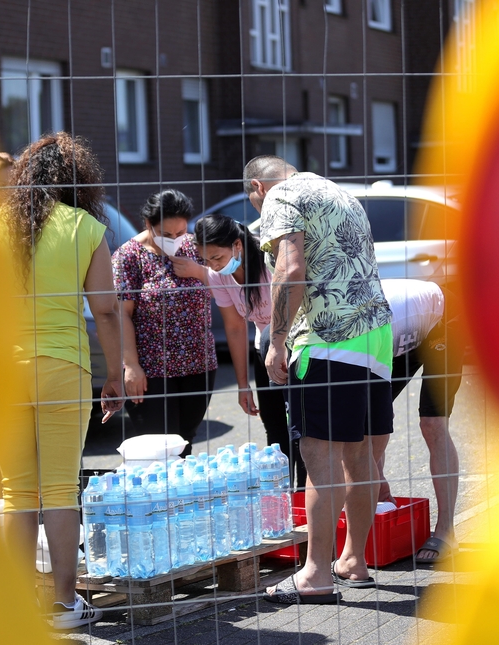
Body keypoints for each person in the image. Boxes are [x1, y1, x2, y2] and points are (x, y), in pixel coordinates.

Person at [248, 155, 394, 604]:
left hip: (327, 335)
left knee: (318, 455)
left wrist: (275, 339)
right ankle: (354, 561)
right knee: (359, 454)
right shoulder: (342, 193)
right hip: (375, 334)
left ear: (258, 188)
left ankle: (315, 575)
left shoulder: (281, 196)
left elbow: (291, 270)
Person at [0, 132, 123, 629]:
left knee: (16, 493)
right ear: (80, 181)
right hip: (64, 365)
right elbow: (106, 312)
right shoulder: (86, 228)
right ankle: (65, 605)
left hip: (4, 369)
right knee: (61, 489)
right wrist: (115, 374)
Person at [192, 213, 307, 488]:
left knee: (304, 429)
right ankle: (281, 494)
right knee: (275, 428)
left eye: (217, 258)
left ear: (237, 246)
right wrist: (243, 385)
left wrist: (281, 347)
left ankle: (307, 496)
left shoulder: (271, 260)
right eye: (205, 260)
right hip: (264, 351)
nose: (213, 266)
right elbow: (234, 327)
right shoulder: (217, 275)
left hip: (298, 348)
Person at [112, 189, 217, 456]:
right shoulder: (129, 256)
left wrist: (200, 272)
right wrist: (131, 365)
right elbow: (120, 314)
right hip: (151, 370)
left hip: (198, 363)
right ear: (149, 224)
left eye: (180, 232)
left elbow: (229, 287)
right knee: (157, 447)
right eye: (167, 234)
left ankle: (183, 498)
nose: (175, 240)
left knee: (185, 442)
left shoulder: (196, 248)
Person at [371, 279, 464, 565]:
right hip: (399, 333)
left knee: (432, 424)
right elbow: (371, 422)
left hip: (443, 318)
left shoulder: (360, 332)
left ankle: (446, 531)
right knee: (371, 421)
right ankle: (374, 517)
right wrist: (375, 477)